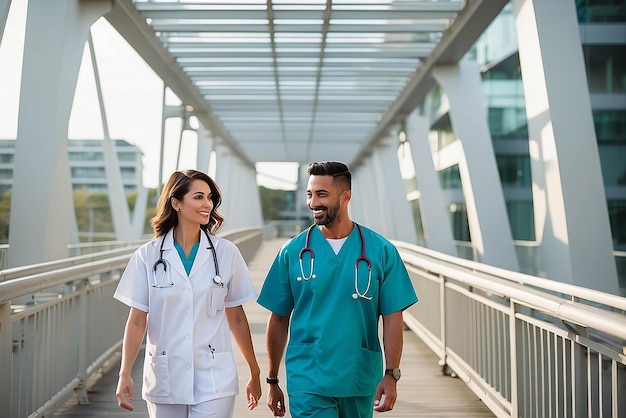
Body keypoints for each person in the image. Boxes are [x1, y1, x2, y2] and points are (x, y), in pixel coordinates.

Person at [257, 161, 418, 417]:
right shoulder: (292, 252)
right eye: (310, 194)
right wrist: (272, 380)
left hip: (359, 376)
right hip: (308, 376)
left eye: (322, 194)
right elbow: (278, 317)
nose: (313, 202)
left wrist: (391, 374)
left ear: (346, 197)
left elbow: (392, 317)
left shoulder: (381, 251)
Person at [114, 169, 262, 417]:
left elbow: (236, 317)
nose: (207, 204)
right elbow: (137, 320)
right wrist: (125, 373)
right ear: (176, 203)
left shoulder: (226, 253)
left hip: (214, 376)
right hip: (166, 373)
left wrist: (255, 372)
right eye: (199, 197)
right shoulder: (148, 256)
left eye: (210, 197)